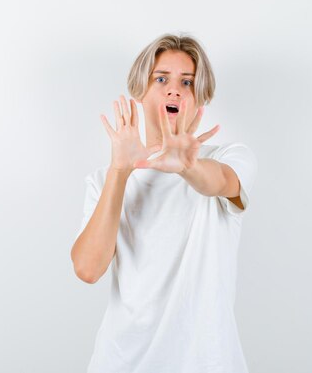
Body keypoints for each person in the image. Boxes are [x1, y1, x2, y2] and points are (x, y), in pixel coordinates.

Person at [70, 33, 258, 373]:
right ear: (140, 92)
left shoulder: (230, 158)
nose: (175, 89)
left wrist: (188, 166)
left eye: (187, 82)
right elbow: (88, 269)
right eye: (162, 79)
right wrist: (120, 171)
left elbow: (220, 182)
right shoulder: (105, 179)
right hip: (121, 362)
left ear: (200, 96)